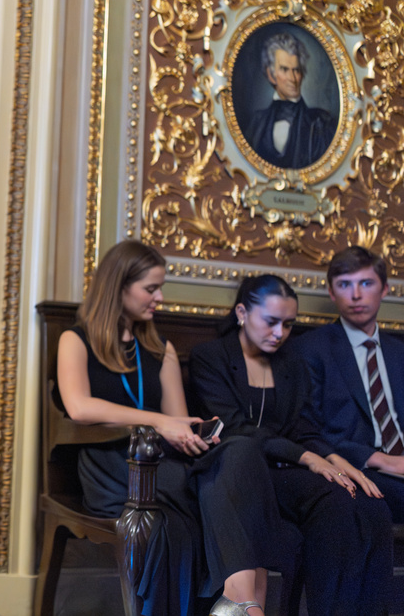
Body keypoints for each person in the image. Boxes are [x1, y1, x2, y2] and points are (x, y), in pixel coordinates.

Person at [58, 241, 295, 616]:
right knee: (204, 492)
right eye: (151, 289)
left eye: (160, 287)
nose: (160, 297)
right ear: (119, 286)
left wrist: (193, 433)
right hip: (112, 460)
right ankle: (244, 606)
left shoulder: (160, 348)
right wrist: (158, 422)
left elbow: (178, 421)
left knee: (242, 451)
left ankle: (240, 600)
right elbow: (79, 407)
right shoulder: (76, 339)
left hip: (163, 458)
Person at [189, 275, 392, 616]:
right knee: (334, 499)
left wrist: (336, 460)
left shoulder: (292, 362)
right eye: (271, 322)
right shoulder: (210, 357)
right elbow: (234, 428)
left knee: (365, 503)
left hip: (285, 472)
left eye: (288, 324)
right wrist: (309, 458)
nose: (280, 333)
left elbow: (303, 427)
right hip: (235, 476)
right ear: (242, 312)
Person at [292, 246, 404, 522]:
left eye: (366, 283)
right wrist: (380, 459)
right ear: (331, 292)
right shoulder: (310, 349)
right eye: (344, 285)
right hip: (356, 466)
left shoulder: (399, 352)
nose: (356, 295)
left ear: (385, 289)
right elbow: (307, 428)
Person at [244, 31, 336, 169]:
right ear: (270, 75)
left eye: (296, 70)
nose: (293, 79)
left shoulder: (321, 123)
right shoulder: (256, 123)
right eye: (284, 69)